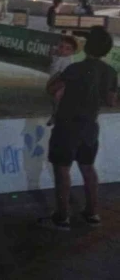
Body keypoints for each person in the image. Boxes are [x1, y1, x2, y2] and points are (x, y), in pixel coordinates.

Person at [40, 26, 117, 230]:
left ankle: (62, 216)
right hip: (90, 127)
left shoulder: (74, 68)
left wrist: (57, 75)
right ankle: (92, 213)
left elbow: (52, 89)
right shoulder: (110, 72)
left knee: (62, 170)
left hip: (67, 125)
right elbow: (111, 101)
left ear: (87, 47)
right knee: (88, 168)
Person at [46, 35, 79, 127]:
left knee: (58, 98)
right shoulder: (57, 56)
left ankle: (58, 117)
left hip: (63, 83)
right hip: (54, 81)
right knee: (54, 100)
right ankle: (56, 115)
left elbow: (66, 75)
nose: (63, 50)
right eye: (61, 47)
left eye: (68, 49)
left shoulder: (68, 61)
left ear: (72, 52)